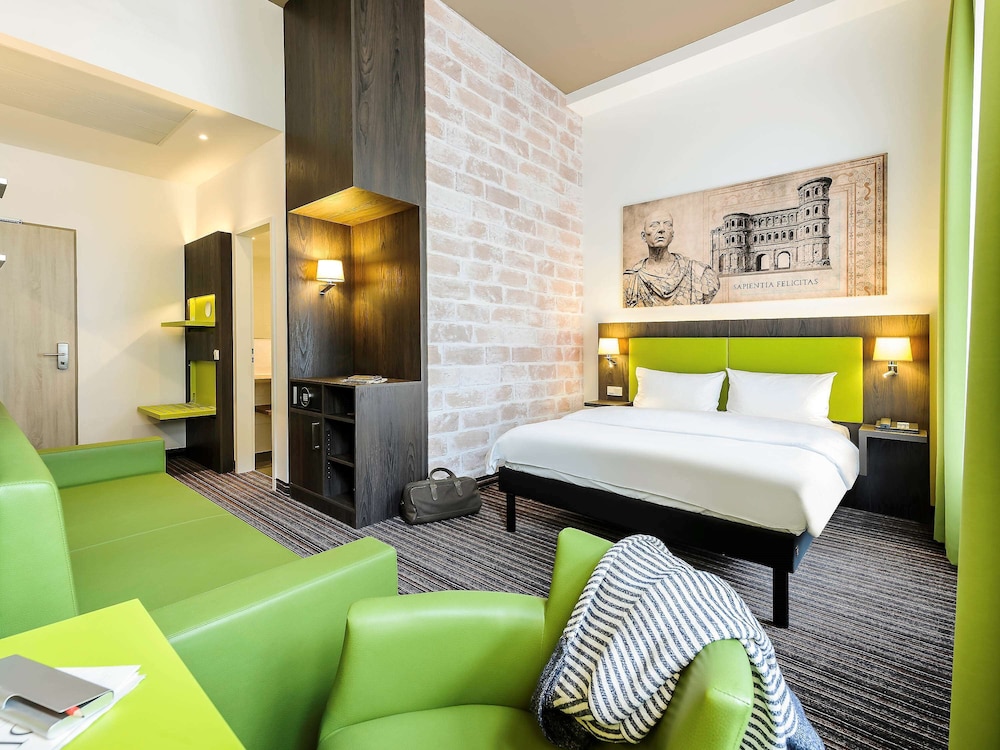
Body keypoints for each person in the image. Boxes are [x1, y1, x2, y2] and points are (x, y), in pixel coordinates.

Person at [624, 212, 720, 306]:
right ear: (643, 236)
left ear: (672, 235)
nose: (661, 229)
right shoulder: (631, 279)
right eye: (654, 225)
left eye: (668, 225)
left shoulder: (700, 274)